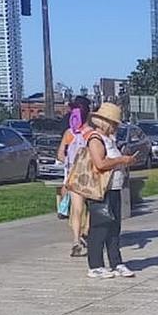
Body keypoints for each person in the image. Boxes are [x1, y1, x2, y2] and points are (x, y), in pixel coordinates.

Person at [81, 102, 139, 279]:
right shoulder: (95, 139)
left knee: (114, 227)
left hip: (114, 188)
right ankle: (95, 265)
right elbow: (100, 163)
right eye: (114, 123)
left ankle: (116, 262)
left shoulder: (109, 140)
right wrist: (122, 160)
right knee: (100, 227)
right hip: (101, 190)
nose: (116, 127)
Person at [56, 94, 91, 257]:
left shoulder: (69, 133)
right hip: (88, 176)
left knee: (76, 209)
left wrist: (69, 162)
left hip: (72, 175)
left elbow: (60, 155)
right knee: (92, 208)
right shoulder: (90, 133)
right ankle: (86, 232)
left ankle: (76, 239)